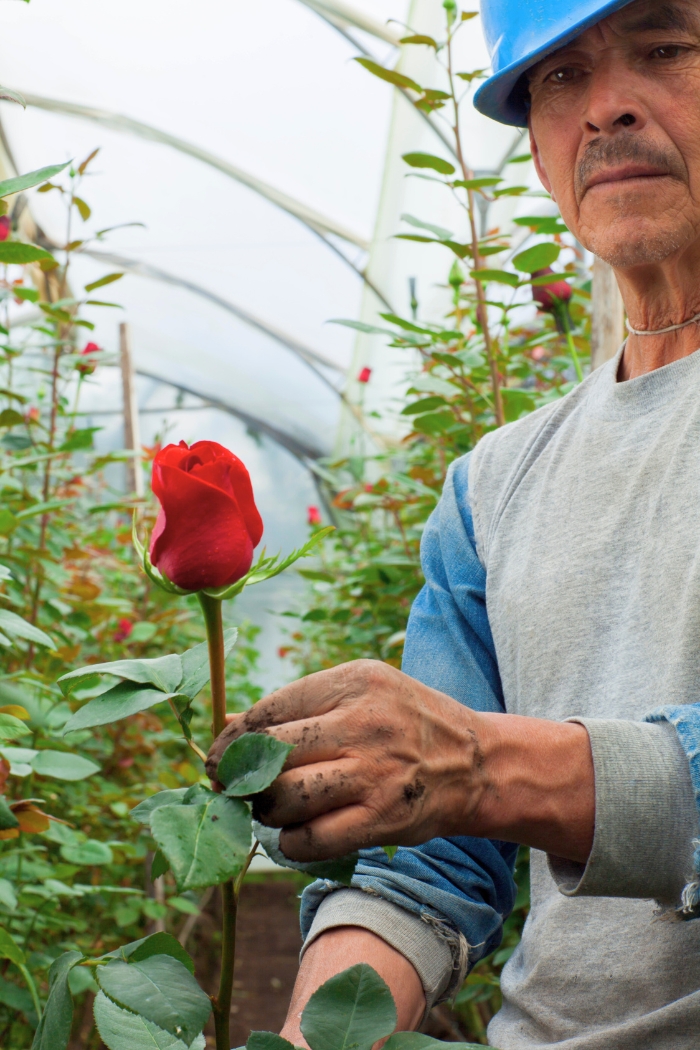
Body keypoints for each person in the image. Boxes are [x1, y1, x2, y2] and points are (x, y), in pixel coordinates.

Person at [207, 0, 700, 1045]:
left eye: (663, 48)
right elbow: (430, 859)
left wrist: (483, 764)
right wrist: (319, 1033)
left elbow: (467, 773)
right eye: (558, 80)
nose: (605, 107)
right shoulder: (492, 486)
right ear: (533, 147)